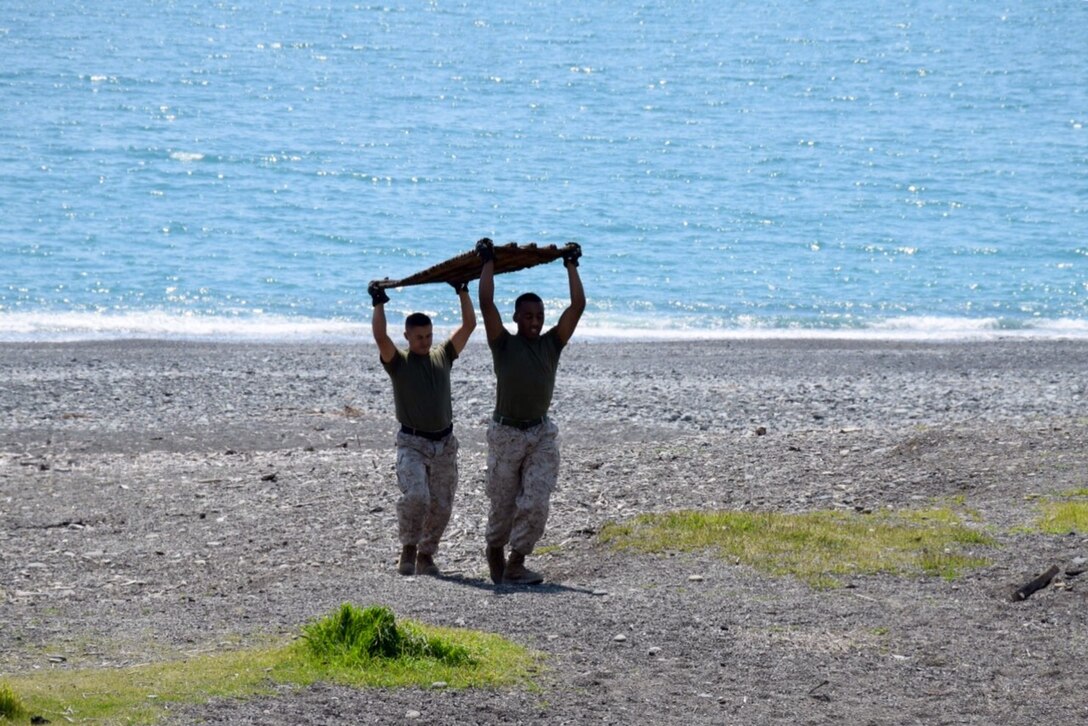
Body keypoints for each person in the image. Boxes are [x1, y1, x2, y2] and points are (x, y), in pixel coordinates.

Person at [476, 238, 585, 585]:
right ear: (516, 318)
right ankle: (495, 547)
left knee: (536, 500)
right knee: (504, 504)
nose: (535, 321)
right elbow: (485, 302)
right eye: (528, 316)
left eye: (539, 316)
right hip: (506, 433)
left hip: (540, 434)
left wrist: (571, 265)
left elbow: (578, 306)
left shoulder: (552, 344)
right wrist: (488, 261)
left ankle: (517, 560)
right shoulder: (503, 343)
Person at [369, 279, 476, 577]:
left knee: (442, 505)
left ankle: (426, 555)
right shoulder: (399, 363)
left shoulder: (443, 356)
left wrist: (462, 290)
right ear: (407, 336)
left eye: (428, 336)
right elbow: (379, 336)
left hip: (444, 443)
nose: (425, 342)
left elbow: (469, 325)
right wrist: (378, 302)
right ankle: (408, 548)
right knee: (417, 496)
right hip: (412, 443)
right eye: (418, 337)